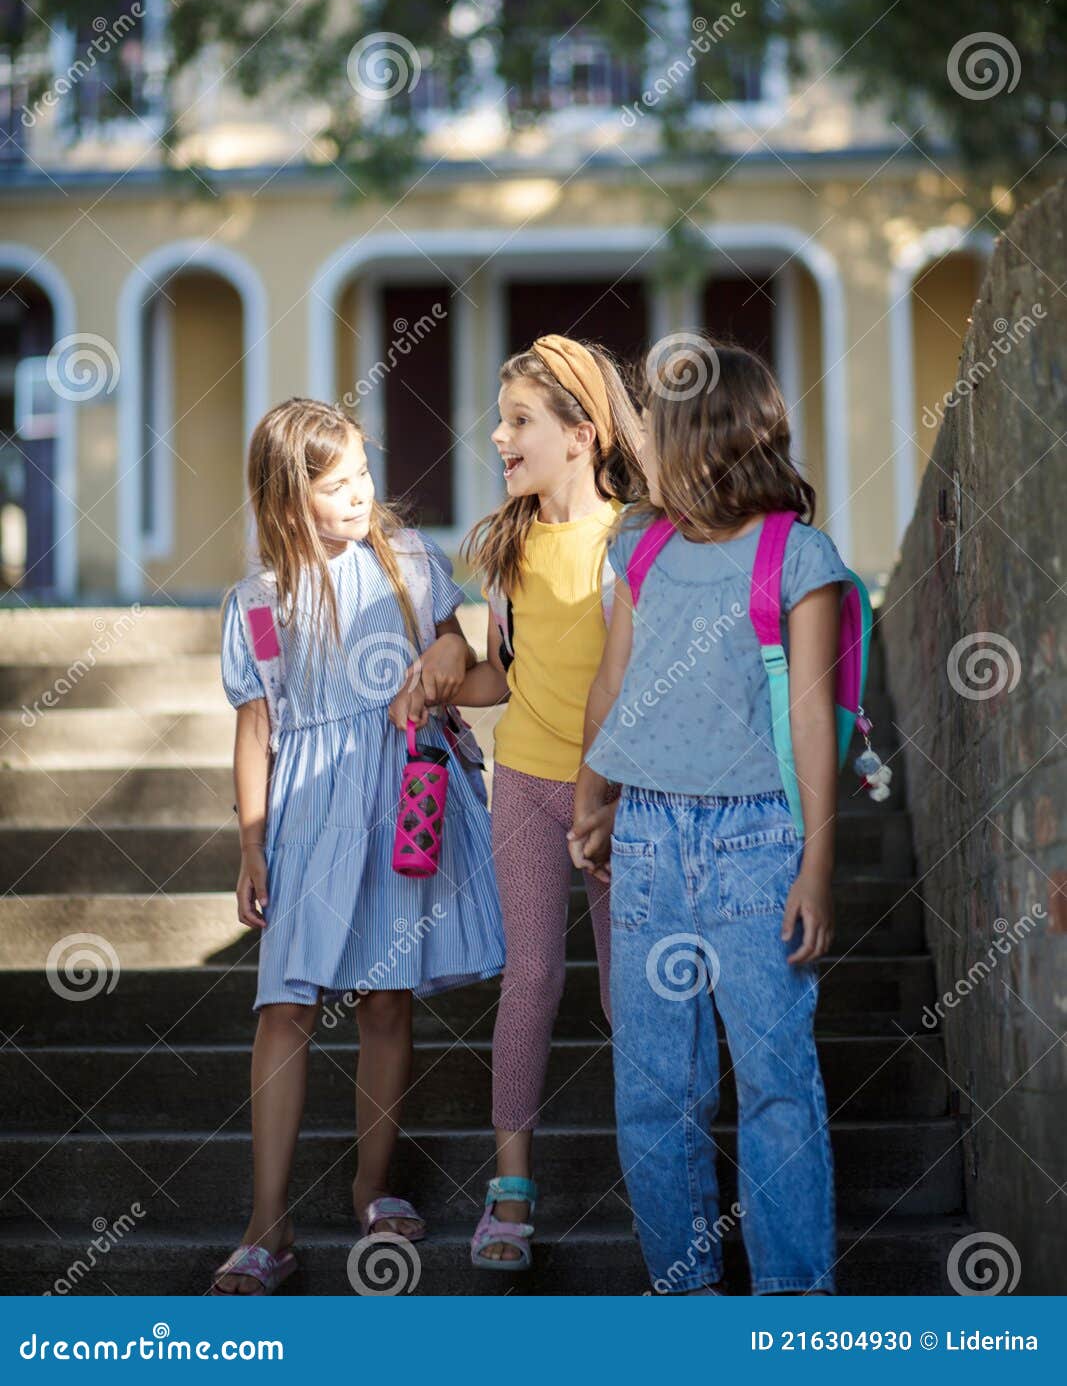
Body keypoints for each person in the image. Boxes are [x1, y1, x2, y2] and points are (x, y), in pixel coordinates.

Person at [571, 337, 851, 1296]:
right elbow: (613, 683)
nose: (644, 443)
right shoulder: (639, 548)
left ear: (706, 435)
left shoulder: (795, 554)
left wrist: (815, 862)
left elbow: (812, 714)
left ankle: (792, 1302)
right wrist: (590, 795)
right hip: (646, 838)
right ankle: (683, 1301)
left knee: (774, 1084)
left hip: (756, 845)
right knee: (655, 1092)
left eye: (658, 426)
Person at [210, 398, 504, 1294]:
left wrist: (445, 663)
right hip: (305, 811)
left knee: (385, 999)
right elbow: (257, 728)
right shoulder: (258, 603)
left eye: (362, 478)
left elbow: (459, 656)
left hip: (402, 799)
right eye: (335, 487)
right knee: (286, 1006)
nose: (358, 497)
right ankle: (268, 1223)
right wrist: (252, 844)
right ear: (286, 498)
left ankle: (371, 1187)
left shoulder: (410, 561)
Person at [408, 336, 644, 1269]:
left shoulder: (633, 540)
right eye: (500, 419)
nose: (497, 437)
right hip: (528, 790)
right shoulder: (505, 547)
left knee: (637, 998)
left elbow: (644, 678)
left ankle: (658, 1172)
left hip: (627, 800)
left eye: (518, 422)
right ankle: (510, 1192)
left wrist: (614, 792)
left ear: (582, 435)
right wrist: (442, 667)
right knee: (533, 981)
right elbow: (502, 677)